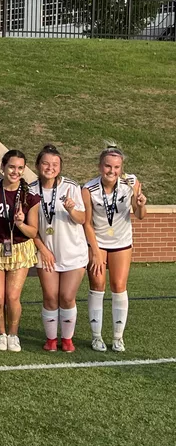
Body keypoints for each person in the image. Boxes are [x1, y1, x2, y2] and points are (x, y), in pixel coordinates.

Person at [83, 145, 147, 353]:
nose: (112, 171)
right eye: (108, 166)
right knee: (98, 285)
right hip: (98, 242)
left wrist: (141, 203)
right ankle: (96, 336)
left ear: (122, 168)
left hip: (122, 242)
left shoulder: (131, 182)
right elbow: (87, 223)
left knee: (119, 285)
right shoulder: (89, 189)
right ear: (100, 166)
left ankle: (118, 338)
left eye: (116, 167)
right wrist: (94, 250)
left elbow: (139, 214)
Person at [27, 145, 88, 352]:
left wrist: (71, 208)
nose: (50, 168)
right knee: (51, 297)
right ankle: (51, 339)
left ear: (60, 167)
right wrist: (42, 249)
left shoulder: (71, 187)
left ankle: (68, 339)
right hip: (46, 253)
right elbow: (30, 228)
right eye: (45, 163)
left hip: (73, 252)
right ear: (37, 165)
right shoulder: (30, 189)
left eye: (55, 164)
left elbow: (82, 219)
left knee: (67, 297)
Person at [0, 150, 41, 352]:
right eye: (11, 167)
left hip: (20, 246)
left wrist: (20, 224)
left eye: (19, 168)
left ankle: (13, 334)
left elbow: (33, 232)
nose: (15, 172)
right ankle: (1, 334)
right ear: (3, 166)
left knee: (12, 297)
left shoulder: (30, 196)